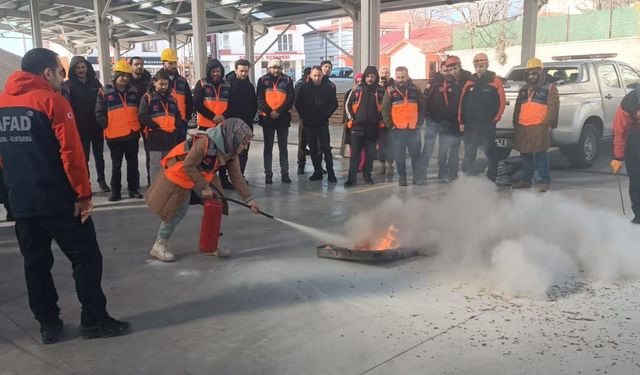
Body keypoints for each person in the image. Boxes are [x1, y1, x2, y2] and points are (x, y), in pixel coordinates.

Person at [0, 48, 130, 344]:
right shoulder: (53, 102)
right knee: (86, 256)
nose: (62, 77)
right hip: (59, 200)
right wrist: (84, 195)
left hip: (21, 202)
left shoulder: (1, 102)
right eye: (60, 72)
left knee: (35, 263)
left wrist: (9, 195)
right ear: (47, 73)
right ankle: (94, 320)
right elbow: (71, 153)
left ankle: (48, 324)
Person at [145, 119, 260, 261]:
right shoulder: (205, 142)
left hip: (199, 175)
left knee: (216, 204)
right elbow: (188, 166)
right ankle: (159, 245)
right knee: (178, 210)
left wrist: (249, 199)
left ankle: (210, 246)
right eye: (243, 143)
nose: (244, 147)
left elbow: (236, 176)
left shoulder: (231, 151)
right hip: (180, 173)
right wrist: (204, 187)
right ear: (232, 138)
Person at [96, 59, 143, 201]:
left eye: (127, 75)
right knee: (116, 165)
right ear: (115, 75)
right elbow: (99, 112)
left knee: (133, 164)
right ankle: (115, 191)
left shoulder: (133, 90)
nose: (125, 78)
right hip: (114, 136)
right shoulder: (105, 91)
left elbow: (139, 110)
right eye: (122, 75)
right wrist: (107, 125)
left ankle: (133, 189)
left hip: (132, 133)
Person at [511, 58, 559, 192]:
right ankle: (526, 180)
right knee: (525, 155)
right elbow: (517, 109)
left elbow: (553, 108)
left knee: (541, 156)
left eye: (534, 73)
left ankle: (545, 181)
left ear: (541, 72)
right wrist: (516, 123)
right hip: (523, 126)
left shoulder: (550, 88)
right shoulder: (523, 90)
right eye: (529, 74)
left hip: (540, 126)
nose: (531, 76)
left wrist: (547, 124)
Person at [459, 53, 506, 182]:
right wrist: (461, 121)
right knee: (470, 150)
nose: (479, 69)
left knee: (490, 150)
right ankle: (469, 175)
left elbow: (501, 102)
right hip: (471, 124)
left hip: (487, 123)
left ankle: (492, 176)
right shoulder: (470, 82)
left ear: (487, 65)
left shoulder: (495, 82)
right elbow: (462, 103)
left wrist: (495, 119)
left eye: (481, 66)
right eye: (476, 66)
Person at [65, 56, 110, 192]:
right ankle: (86, 184)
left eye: (83, 67)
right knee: (83, 158)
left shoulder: (95, 83)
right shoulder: (68, 86)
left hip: (96, 127)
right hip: (80, 128)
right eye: (78, 68)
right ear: (73, 69)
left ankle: (102, 181)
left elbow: (104, 101)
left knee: (99, 156)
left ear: (87, 68)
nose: (81, 70)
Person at [295, 66, 339, 182]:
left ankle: (331, 173)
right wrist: (305, 116)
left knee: (326, 149)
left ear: (322, 75)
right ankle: (317, 171)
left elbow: (334, 104)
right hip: (309, 124)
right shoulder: (304, 88)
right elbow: (298, 104)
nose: (317, 78)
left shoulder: (327, 88)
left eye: (319, 75)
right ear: (310, 75)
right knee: (313, 149)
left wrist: (326, 115)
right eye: (315, 75)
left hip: (322, 123)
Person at [382, 66, 424, 186]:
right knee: (399, 156)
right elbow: (385, 110)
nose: (400, 79)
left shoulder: (415, 89)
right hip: (397, 130)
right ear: (395, 77)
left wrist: (419, 123)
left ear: (407, 76)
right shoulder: (390, 90)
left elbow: (422, 107)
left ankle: (416, 177)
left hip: (413, 129)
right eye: (398, 77)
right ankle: (402, 177)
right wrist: (390, 126)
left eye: (403, 77)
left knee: (416, 155)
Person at [193, 59, 233, 188]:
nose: (216, 74)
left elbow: (232, 104)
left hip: (222, 125)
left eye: (218, 71)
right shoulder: (202, 84)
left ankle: (223, 179)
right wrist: (213, 117)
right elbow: (198, 104)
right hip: (206, 125)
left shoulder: (228, 84)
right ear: (209, 72)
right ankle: (207, 179)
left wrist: (223, 116)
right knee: (206, 154)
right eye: (213, 71)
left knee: (222, 153)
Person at [344, 66, 386, 187]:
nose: (370, 79)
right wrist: (351, 118)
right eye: (368, 76)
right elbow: (348, 104)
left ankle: (367, 176)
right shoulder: (357, 89)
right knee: (355, 155)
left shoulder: (381, 90)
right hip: (357, 127)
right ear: (364, 77)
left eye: (372, 76)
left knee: (369, 155)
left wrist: (382, 121)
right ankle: (351, 179)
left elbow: (386, 108)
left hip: (373, 128)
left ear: (376, 77)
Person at [256, 58, 295, 185]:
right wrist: (269, 111)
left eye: (278, 67)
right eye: (273, 67)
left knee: (283, 148)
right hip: (267, 119)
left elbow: (291, 98)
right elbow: (259, 98)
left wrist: (279, 111)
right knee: (268, 148)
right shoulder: (262, 80)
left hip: (282, 118)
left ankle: (285, 173)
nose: (275, 70)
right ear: (268, 68)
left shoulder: (288, 80)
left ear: (281, 68)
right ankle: (268, 174)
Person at [138, 70, 180, 183]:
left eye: (166, 84)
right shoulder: (147, 98)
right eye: (161, 84)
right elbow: (142, 116)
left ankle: (167, 188)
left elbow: (178, 116)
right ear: (154, 83)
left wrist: (176, 127)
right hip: (155, 137)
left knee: (170, 166)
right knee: (156, 167)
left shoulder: (173, 99)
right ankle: (155, 190)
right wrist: (155, 127)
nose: (163, 86)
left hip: (170, 137)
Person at [435, 55, 472, 182]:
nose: (453, 72)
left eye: (455, 68)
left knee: (469, 149)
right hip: (450, 121)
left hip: (466, 120)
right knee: (451, 149)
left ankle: (468, 173)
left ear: (460, 66)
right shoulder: (447, 81)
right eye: (450, 70)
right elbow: (444, 102)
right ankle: (451, 173)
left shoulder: (469, 79)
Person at [225, 59, 258, 178]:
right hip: (230, 125)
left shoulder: (249, 86)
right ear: (235, 70)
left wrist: (250, 118)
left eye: (246, 71)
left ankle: (240, 176)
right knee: (229, 152)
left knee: (243, 152)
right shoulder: (227, 85)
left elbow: (254, 104)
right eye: (241, 71)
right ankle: (227, 177)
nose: (243, 74)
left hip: (246, 124)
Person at [611, 88, 640, 224]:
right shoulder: (631, 100)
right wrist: (617, 157)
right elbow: (619, 129)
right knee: (636, 179)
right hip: (636, 141)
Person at [420, 60, 449, 182]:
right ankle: (422, 172)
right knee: (428, 146)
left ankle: (442, 172)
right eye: (445, 70)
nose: (447, 72)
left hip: (447, 121)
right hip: (433, 120)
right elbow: (425, 98)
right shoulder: (434, 81)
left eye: (449, 70)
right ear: (441, 69)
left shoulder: (453, 82)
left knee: (444, 148)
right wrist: (425, 115)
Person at [158, 48, 192, 142]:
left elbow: (189, 101)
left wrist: (187, 118)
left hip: (181, 122)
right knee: (166, 152)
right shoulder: (156, 80)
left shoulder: (182, 81)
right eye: (170, 63)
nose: (173, 66)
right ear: (163, 63)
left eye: (174, 63)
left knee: (180, 151)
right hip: (164, 123)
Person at [129, 56, 153, 185]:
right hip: (130, 121)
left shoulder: (149, 81)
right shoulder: (125, 81)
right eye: (136, 64)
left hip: (146, 120)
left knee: (150, 151)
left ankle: (151, 179)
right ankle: (134, 183)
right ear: (131, 66)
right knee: (132, 154)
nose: (139, 67)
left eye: (141, 64)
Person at [377, 66, 394, 177]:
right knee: (381, 144)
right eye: (382, 72)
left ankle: (390, 164)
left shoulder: (393, 87)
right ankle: (382, 164)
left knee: (392, 144)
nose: (384, 74)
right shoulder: (376, 88)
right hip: (380, 122)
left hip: (392, 121)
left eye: (387, 72)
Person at [295, 67, 312, 175]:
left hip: (315, 119)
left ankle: (317, 165)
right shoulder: (301, 84)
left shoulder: (314, 85)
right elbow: (297, 102)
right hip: (304, 119)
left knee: (317, 145)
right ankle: (301, 165)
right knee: (302, 143)